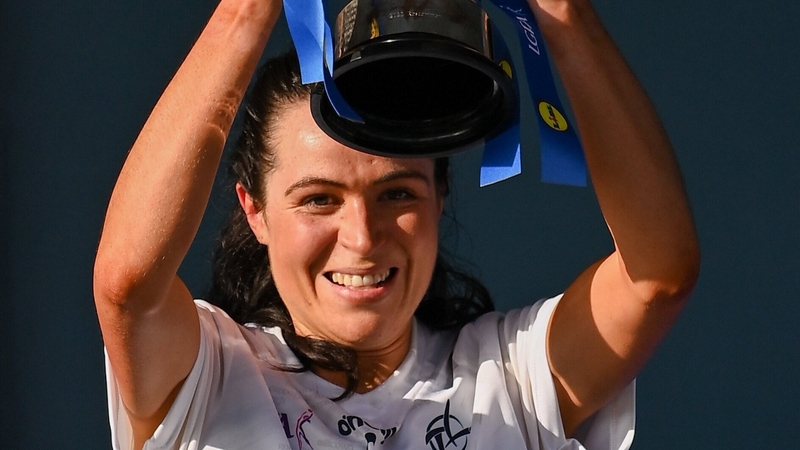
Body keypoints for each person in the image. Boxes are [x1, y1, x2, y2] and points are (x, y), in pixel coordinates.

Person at [93, 0, 700, 449]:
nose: (362, 235)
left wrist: (561, 18)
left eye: (396, 194)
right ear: (254, 209)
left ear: (440, 195)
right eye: (318, 200)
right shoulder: (211, 377)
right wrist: (245, 13)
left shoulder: (512, 377)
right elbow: (128, 286)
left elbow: (658, 275)